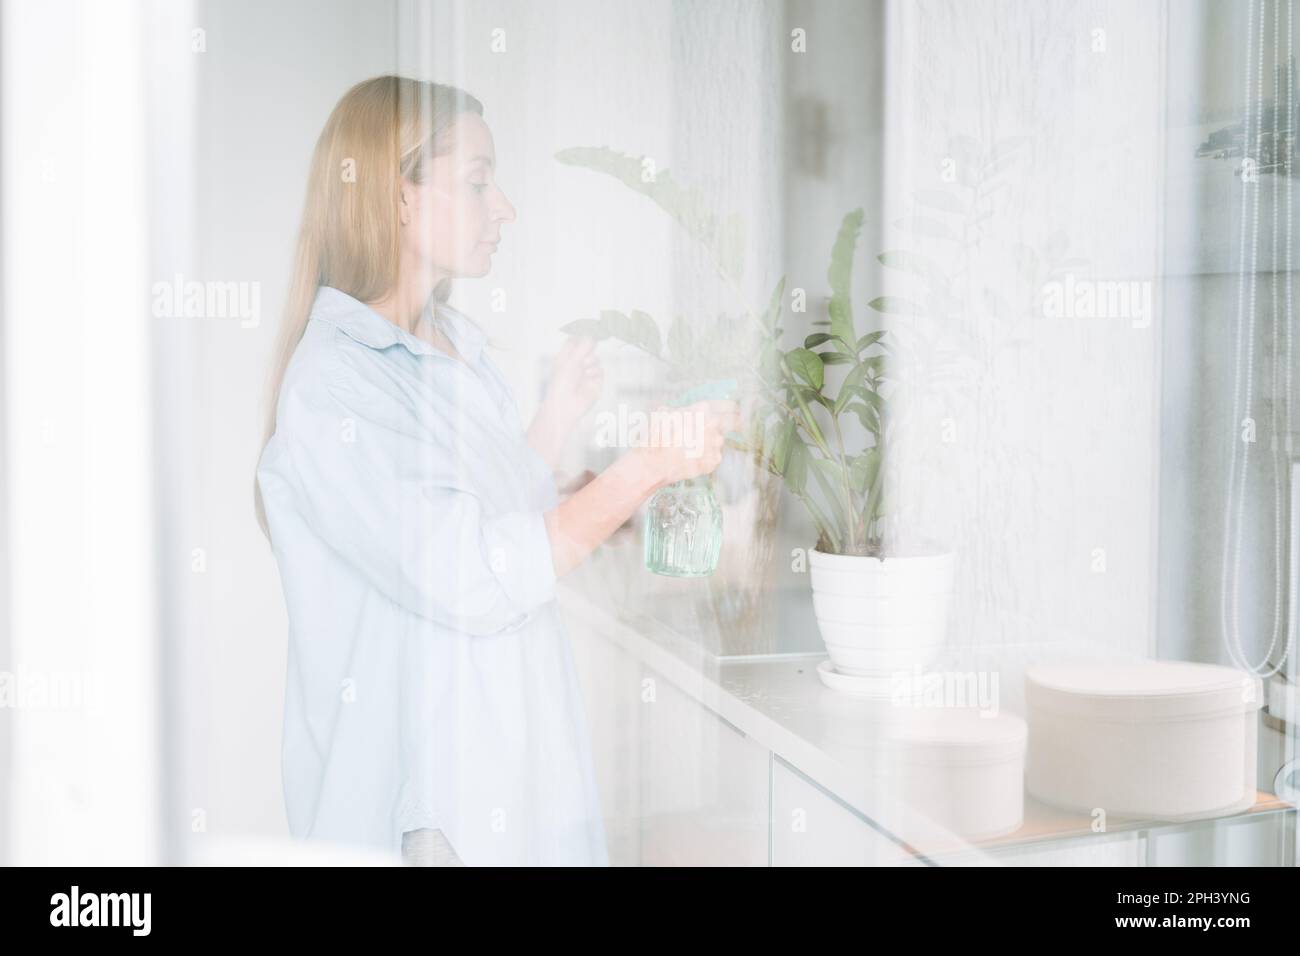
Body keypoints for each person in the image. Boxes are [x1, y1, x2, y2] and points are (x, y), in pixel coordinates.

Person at [254, 75, 738, 866]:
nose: (504, 205)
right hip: (434, 822)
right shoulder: (333, 389)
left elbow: (502, 514)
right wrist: (647, 466)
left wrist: (600, 482)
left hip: (518, 785)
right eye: (479, 182)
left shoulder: (456, 347)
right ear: (401, 199)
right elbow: (473, 572)